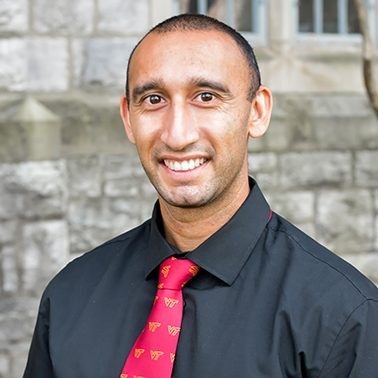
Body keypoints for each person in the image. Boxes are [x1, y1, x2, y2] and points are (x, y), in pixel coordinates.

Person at [24, 14, 378, 378]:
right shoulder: (70, 296)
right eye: (154, 99)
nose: (177, 135)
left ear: (256, 112)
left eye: (206, 97)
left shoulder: (345, 316)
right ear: (129, 118)